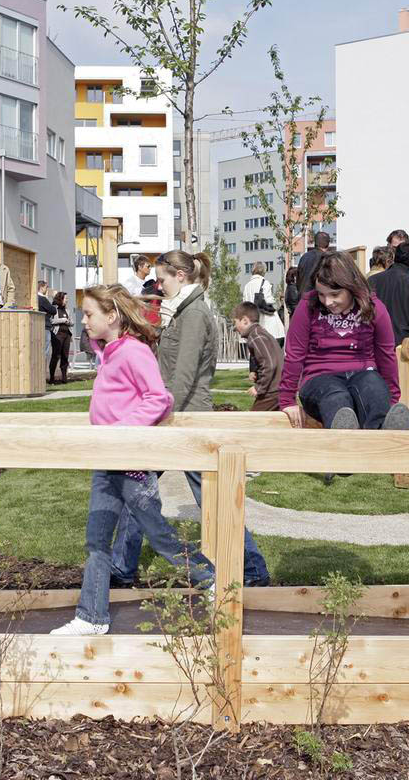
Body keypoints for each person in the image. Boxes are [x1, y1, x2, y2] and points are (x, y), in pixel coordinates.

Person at [52, 284, 214, 635]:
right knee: (97, 541)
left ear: (112, 316)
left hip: (131, 466)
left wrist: (122, 430)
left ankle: (211, 580)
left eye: (90, 314)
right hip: (106, 461)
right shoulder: (109, 352)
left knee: (160, 537)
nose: (85, 321)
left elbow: (159, 398)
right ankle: (91, 617)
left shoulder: (133, 352)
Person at [112, 250, 271, 589]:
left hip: (186, 418)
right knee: (139, 487)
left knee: (210, 499)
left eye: (163, 278)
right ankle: (122, 566)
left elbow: (182, 378)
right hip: (175, 415)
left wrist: (149, 415)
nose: (159, 284)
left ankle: (253, 569)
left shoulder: (194, 314)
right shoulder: (181, 311)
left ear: (180, 277)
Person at [282, 250, 409, 432]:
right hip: (319, 378)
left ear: (351, 287)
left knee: (374, 390)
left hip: (363, 373)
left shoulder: (374, 308)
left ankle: (385, 430)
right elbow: (294, 353)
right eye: (321, 294)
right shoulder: (307, 306)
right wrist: (287, 399)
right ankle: (343, 434)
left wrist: (392, 399)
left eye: (335, 295)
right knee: (337, 397)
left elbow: (386, 355)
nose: (327, 302)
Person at [369, 235, 409, 387]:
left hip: (375, 342)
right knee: (405, 389)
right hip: (404, 341)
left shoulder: (373, 281)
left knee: (377, 389)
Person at [231, 301, 283, 411]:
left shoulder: (255, 336)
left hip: (271, 392)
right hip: (279, 389)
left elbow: (269, 364)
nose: (235, 327)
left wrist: (259, 387)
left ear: (245, 321)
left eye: (235, 322)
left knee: (253, 421)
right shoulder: (260, 333)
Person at [242, 262, 286, 346]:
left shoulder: (247, 286)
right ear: (264, 271)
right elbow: (268, 300)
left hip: (254, 326)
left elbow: (245, 304)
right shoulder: (265, 283)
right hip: (270, 327)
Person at [296, 230, 335, 295]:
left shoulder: (304, 257)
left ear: (315, 243)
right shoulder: (326, 258)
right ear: (328, 244)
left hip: (302, 298)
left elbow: (298, 281)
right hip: (315, 298)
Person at [49, 291, 73, 384]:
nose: (67, 300)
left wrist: (69, 322)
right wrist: (62, 320)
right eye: (65, 298)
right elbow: (50, 321)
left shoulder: (67, 310)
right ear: (61, 299)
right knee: (56, 356)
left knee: (65, 356)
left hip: (67, 335)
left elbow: (72, 322)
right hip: (57, 335)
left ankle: (64, 377)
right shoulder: (54, 309)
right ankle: (52, 378)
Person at [37, 280, 56, 358]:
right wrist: (54, 298)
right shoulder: (42, 299)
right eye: (46, 287)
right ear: (41, 287)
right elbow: (53, 310)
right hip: (45, 326)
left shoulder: (35, 298)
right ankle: (43, 369)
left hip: (38, 326)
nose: (47, 289)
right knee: (45, 350)